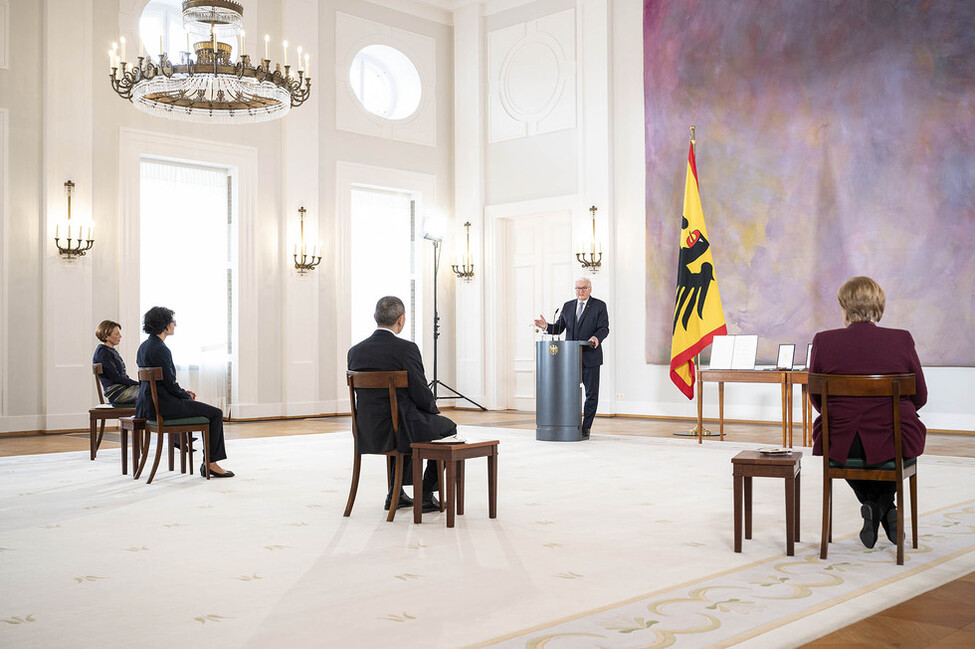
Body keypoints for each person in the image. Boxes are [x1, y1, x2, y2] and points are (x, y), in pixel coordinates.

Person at [809, 276, 927, 549]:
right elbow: (920, 395)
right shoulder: (901, 339)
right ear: (878, 306)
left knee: (845, 441)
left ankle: (875, 506)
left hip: (842, 440)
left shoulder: (824, 341)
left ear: (845, 307)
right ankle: (884, 507)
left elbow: (817, 397)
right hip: (893, 437)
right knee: (889, 443)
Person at [348, 296, 455, 512]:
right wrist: (432, 411)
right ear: (401, 319)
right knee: (446, 427)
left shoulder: (355, 351)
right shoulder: (406, 349)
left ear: (375, 317)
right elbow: (420, 390)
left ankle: (394, 494)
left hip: (367, 429)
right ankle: (425, 494)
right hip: (400, 429)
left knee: (407, 424)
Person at [135, 306, 234, 478]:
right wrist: (186, 395)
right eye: (173, 321)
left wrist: (183, 393)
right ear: (164, 324)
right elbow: (170, 384)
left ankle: (208, 461)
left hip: (148, 405)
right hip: (163, 406)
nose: (175, 325)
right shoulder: (160, 349)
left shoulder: (144, 346)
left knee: (203, 409)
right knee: (216, 414)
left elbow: (163, 383)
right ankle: (211, 463)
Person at [533, 277, 610, 439]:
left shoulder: (599, 305)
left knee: (591, 394)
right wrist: (546, 326)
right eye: (577, 288)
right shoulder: (568, 306)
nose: (580, 291)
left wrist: (596, 338)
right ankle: (569, 423)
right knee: (568, 392)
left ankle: (586, 427)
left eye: (583, 288)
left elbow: (604, 328)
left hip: (590, 356)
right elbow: (559, 328)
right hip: (569, 359)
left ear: (590, 289)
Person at [92, 320, 139, 405]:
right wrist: (138, 383)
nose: (120, 336)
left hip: (121, 390)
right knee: (150, 392)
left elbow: (121, 376)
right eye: (117, 334)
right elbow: (115, 377)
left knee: (151, 391)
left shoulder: (110, 351)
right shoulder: (103, 352)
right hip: (117, 393)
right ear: (106, 336)